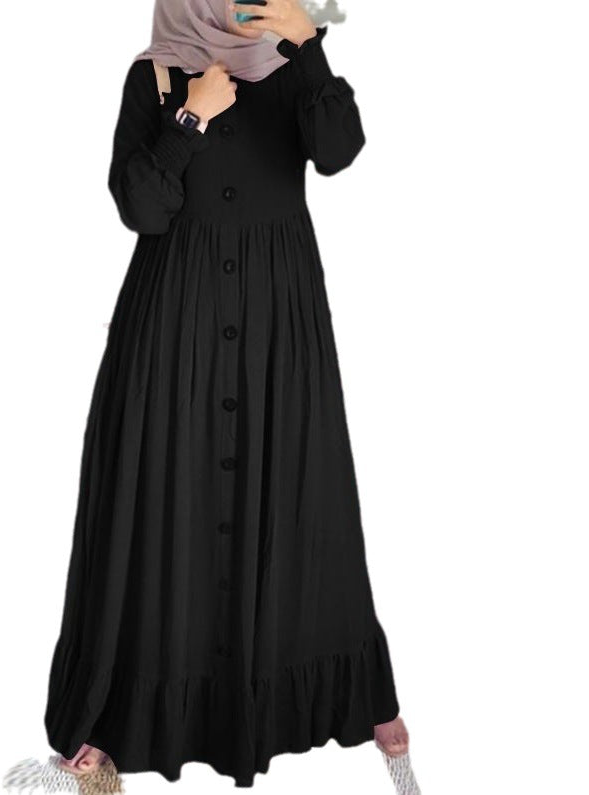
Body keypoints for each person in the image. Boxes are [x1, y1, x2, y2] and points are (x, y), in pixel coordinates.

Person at [43, 0, 410, 787]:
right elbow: (140, 208)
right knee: (159, 497)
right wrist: (190, 118)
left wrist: (307, 46)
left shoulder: (291, 66)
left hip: (279, 318)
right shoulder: (157, 74)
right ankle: (118, 718)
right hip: (173, 319)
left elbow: (339, 151)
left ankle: (348, 698)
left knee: (301, 495)